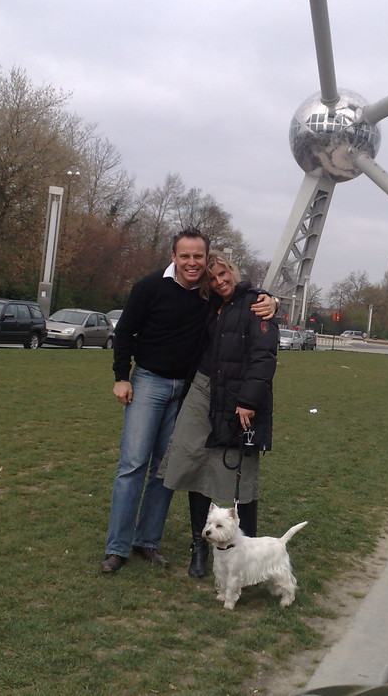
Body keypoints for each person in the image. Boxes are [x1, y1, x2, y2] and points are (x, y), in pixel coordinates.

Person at [100, 230, 276, 574]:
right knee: (133, 465)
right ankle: (117, 548)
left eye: (198, 257)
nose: (192, 263)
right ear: (173, 256)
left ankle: (146, 542)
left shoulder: (208, 293)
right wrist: (122, 376)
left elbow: (239, 292)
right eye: (185, 256)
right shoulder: (149, 287)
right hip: (148, 382)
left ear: (206, 257)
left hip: (188, 388)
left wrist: (270, 300)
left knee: (166, 470)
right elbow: (125, 332)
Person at [158, 253, 280, 578]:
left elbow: (264, 355)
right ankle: (199, 546)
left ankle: (246, 553)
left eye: (223, 274)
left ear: (232, 271)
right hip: (203, 390)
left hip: (239, 396)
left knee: (237, 474)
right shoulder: (208, 305)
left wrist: (248, 400)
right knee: (194, 461)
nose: (219, 281)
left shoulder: (255, 302)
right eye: (212, 278)